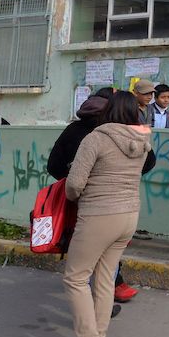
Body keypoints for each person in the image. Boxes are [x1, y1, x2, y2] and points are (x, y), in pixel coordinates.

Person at [48, 87, 154, 306]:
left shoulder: (85, 134)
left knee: (77, 275)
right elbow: (150, 162)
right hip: (128, 211)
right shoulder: (140, 136)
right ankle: (101, 314)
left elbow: (60, 170)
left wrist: (77, 190)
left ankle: (89, 319)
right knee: (106, 274)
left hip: (91, 206)